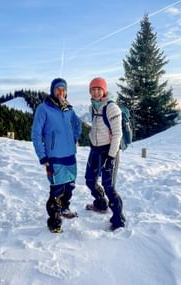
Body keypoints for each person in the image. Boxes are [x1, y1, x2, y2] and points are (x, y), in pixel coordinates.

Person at [32, 78, 82, 233]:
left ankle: (65, 208)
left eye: (63, 89)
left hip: (70, 156)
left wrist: (75, 137)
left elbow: (78, 123)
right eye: (57, 89)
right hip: (54, 157)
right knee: (57, 190)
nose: (61, 92)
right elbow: (35, 133)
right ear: (52, 91)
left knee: (69, 187)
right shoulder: (43, 108)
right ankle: (54, 220)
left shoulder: (68, 109)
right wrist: (43, 156)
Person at [85, 77, 126, 231]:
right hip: (95, 149)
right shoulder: (92, 107)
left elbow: (117, 134)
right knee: (90, 180)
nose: (95, 92)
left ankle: (118, 219)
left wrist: (110, 157)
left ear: (104, 90)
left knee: (109, 186)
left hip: (109, 150)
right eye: (93, 89)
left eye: (98, 89)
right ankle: (101, 204)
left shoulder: (112, 108)